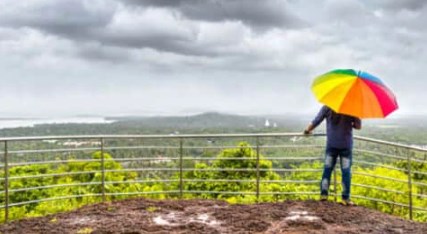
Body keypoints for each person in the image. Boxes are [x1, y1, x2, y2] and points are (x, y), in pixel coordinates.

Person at [304, 105, 361, 205]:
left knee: (327, 169)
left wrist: (307, 130)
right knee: (346, 172)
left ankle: (324, 195)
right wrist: (349, 123)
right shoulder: (352, 107)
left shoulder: (328, 106)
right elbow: (358, 126)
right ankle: (345, 198)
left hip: (332, 144)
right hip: (346, 145)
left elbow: (317, 120)